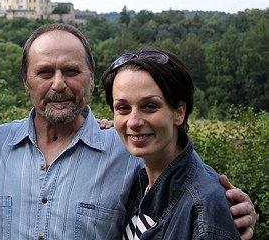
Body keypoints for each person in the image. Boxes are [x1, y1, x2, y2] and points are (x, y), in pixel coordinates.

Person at [0, 23, 257, 239]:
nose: (58, 84)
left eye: (71, 71)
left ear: (91, 80)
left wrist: (226, 208)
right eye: (44, 73)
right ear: (25, 82)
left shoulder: (127, 148)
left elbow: (183, 178)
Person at [101, 48, 242, 239]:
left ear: (179, 112)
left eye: (150, 106)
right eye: (123, 108)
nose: (133, 122)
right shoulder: (140, 183)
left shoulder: (204, 209)